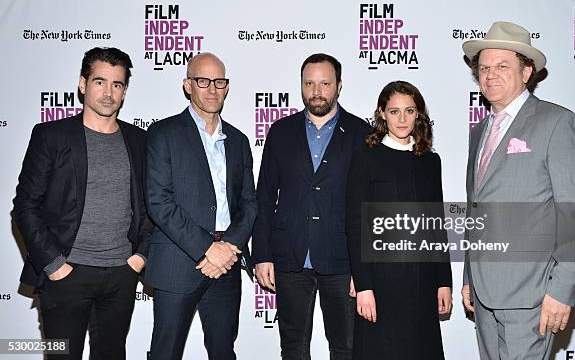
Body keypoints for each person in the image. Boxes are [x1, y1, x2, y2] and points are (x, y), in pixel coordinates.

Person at [461, 21, 575, 359]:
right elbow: (476, 209)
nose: (490, 75)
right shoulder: (479, 132)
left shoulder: (557, 123)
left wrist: (562, 292)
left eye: (503, 66)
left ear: (527, 71)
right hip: (484, 295)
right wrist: (468, 277)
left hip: (533, 296)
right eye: (485, 67)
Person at [13, 47, 152, 360]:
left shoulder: (139, 141)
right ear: (82, 84)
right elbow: (25, 205)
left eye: (117, 85)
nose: (108, 92)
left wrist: (140, 257)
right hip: (66, 273)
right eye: (100, 82)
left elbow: (149, 207)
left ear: (125, 91)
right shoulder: (51, 135)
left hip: (120, 274)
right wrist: (54, 265)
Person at [252, 53, 371, 359]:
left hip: (343, 259)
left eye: (325, 83)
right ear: (301, 86)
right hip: (290, 257)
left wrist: (365, 268)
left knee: (346, 347)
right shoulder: (280, 132)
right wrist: (262, 255)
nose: (317, 91)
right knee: (293, 347)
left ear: (339, 86)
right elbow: (264, 196)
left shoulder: (362, 134)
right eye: (310, 83)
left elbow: (370, 206)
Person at [145, 52, 256, 360]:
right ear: (187, 85)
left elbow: (249, 203)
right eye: (203, 81)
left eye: (219, 81)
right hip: (180, 261)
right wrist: (209, 248)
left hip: (227, 263)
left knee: (223, 352)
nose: (212, 89)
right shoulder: (162, 133)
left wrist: (229, 246)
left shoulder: (239, 140)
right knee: (165, 353)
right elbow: (159, 202)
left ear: (227, 87)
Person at [345, 80, 452, 359]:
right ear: (382, 113)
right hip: (381, 283)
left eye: (409, 111)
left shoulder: (430, 161)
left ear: (419, 114)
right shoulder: (366, 158)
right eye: (394, 111)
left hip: (423, 282)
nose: (402, 119)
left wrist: (443, 281)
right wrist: (364, 285)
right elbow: (356, 226)